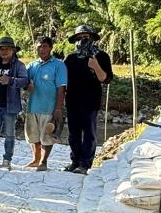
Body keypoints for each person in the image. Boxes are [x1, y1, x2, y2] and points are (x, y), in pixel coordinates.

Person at [63, 24, 113, 174]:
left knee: (89, 134)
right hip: (72, 101)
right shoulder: (70, 59)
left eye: (86, 37)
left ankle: (86, 163)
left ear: (92, 38)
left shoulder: (101, 56)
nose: (83, 40)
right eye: (79, 37)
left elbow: (106, 79)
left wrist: (96, 66)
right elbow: (63, 80)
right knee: (73, 134)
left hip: (90, 102)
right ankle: (75, 161)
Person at [0, 36, 29, 169]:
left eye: (7, 49)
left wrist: (10, 80)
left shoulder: (19, 65)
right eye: (1, 49)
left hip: (10, 106)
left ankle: (7, 160)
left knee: (10, 134)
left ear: (13, 50)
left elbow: (24, 81)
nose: (4, 52)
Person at [23, 37, 67, 171]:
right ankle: (36, 159)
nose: (42, 49)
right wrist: (26, 86)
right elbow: (24, 82)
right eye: (39, 46)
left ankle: (44, 161)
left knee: (47, 136)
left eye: (45, 46)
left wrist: (58, 108)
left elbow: (61, 88)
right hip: (32, 106)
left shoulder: (59, 65)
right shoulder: (31, 65)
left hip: (49, 107)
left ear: (51, 48)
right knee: (33, 135)